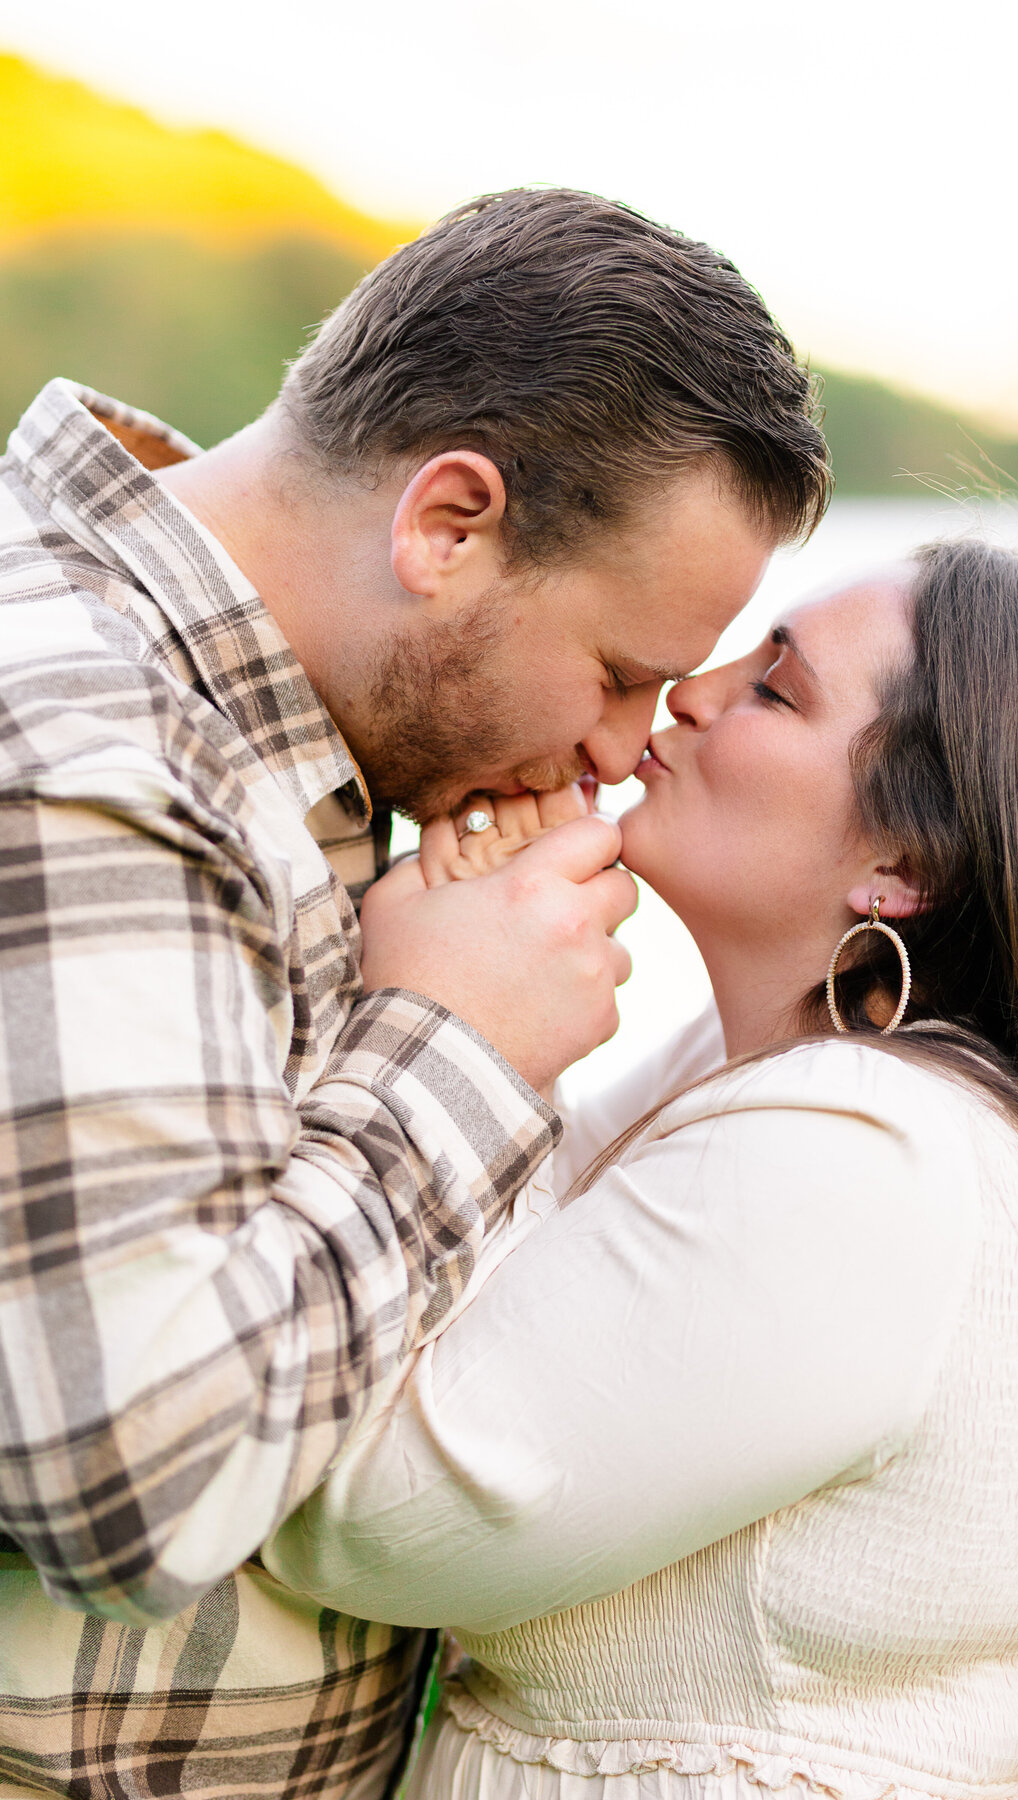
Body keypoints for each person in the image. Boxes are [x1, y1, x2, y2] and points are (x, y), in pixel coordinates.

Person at [0, 188, 830, 1798]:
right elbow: (130, 1481)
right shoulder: (82, 752)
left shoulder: (259, 729)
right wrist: (454, 1047)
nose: (620, 752)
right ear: (448, 522)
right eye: (617, 673)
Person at [266, 540, 1018, 1800]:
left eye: (775, 688)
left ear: (905, 869)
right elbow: (502, 1245)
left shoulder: (867, 1163)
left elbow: (360, 1518)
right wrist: (493, 977)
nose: (691, 690)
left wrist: (454, 1024)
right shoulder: (765, 1082)